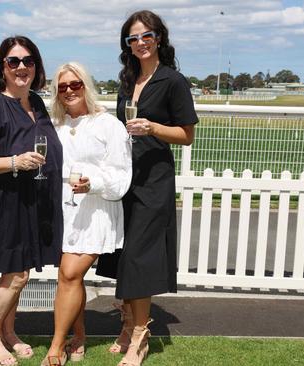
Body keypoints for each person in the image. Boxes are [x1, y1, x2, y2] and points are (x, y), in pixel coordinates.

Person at [96, 10, 198, 366]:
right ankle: (126, 325)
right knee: (123, 256)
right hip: (125, 178)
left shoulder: (173, 81)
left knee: (139, 258)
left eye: (146, 36)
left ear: (159, 38)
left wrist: (153, 128)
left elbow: (186, 136)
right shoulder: (127, 80)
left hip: (154, 181)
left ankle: (140, 336)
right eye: (133, 38)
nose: (140, 43)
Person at [0, 35, 63, 366]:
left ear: (36, 66)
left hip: (31, 202)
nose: (22, 67)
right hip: (3, 203)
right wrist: (13, 162)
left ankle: (8, 333)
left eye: (28, 61)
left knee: (20, 274)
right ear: (2, 68)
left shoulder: (35, 102)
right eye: (13, 62)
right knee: (16, 276)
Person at [43, 62, 131, 366]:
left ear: (86, 85)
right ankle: (79, 338)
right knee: (70, 277)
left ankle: (56, 346)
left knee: (69, 273)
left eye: (75, 84)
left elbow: (121, 178)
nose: (69, 91)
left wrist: (92, 184)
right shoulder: (55, 126)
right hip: (64, 214)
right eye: (62, 86)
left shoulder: (109, 125)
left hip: (96, 212)